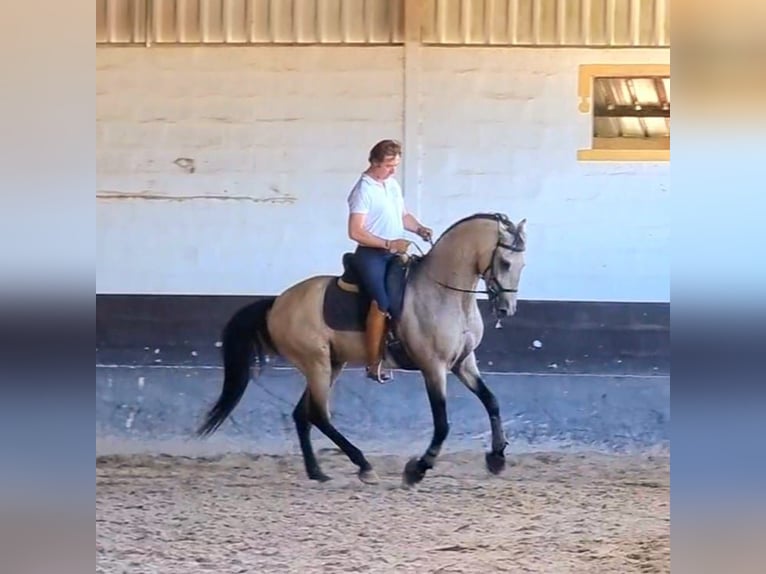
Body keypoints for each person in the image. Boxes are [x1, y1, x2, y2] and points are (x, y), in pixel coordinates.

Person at [346, 139, 433, 382]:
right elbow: (355, 231)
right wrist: (388, 244)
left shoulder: (391, 184)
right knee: (381, 303)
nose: (393, 170)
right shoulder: (363, 190)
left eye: (395, 165)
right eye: (388, 165)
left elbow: (403, 216)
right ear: (374, 163)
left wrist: (419, 229)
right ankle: (373, 364)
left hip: (394, 253)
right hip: (371, 255)